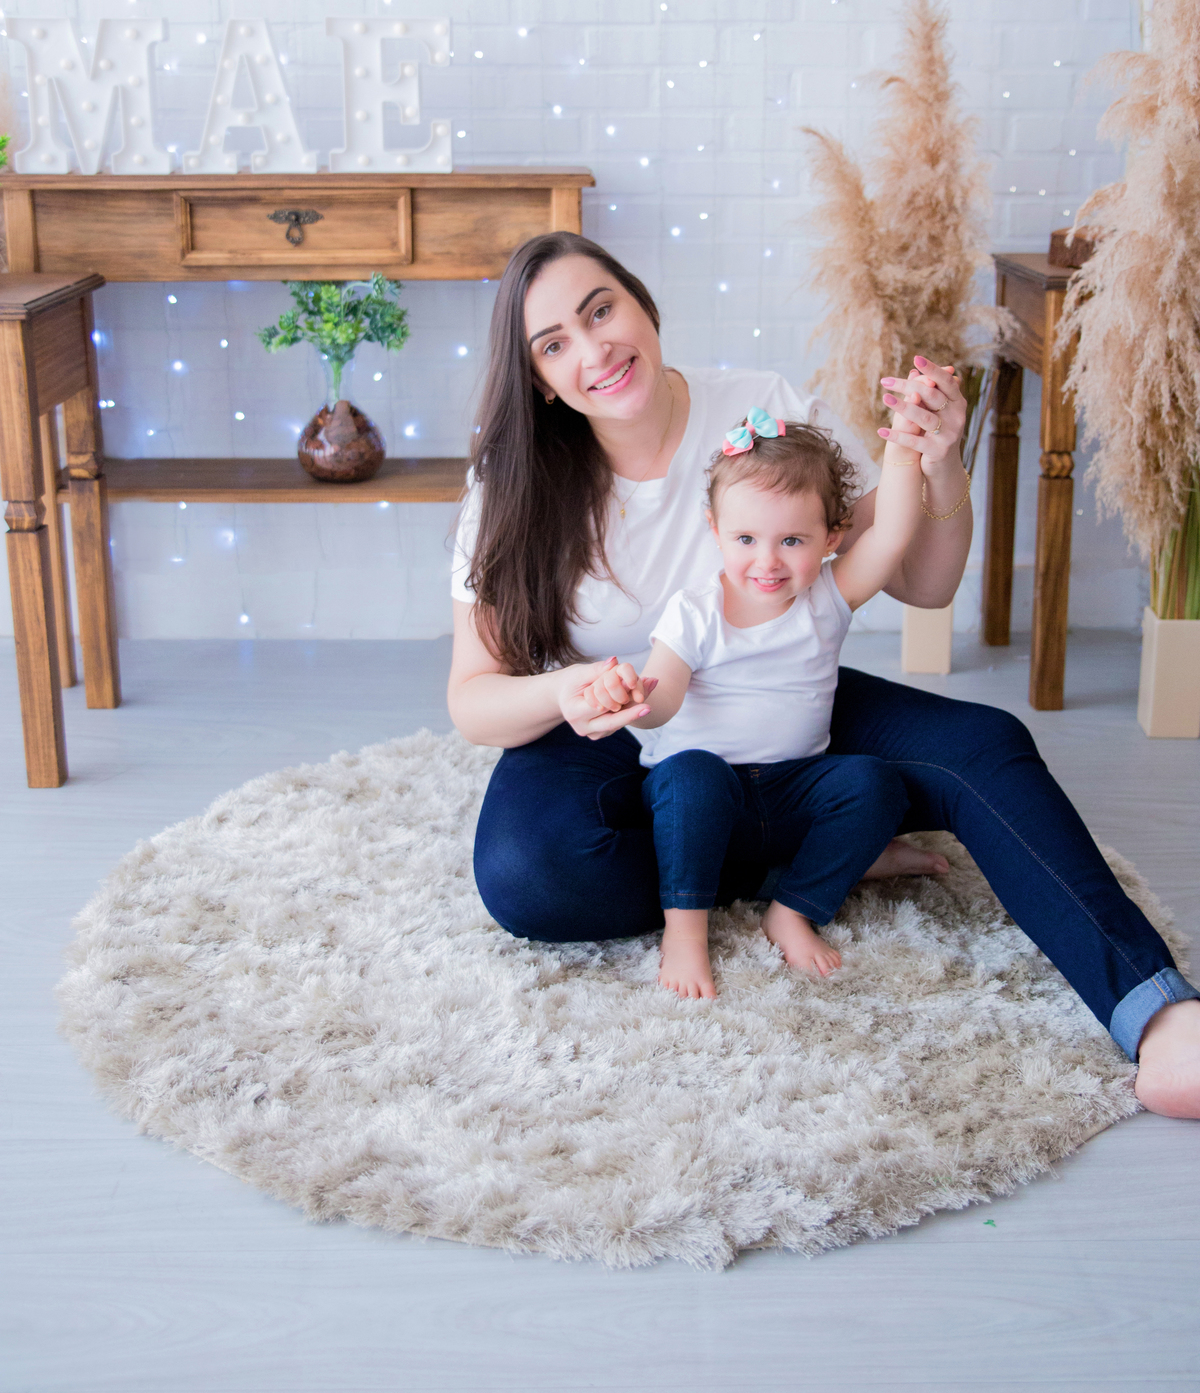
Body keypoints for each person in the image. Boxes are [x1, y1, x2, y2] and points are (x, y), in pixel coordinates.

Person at [447, 230, 1200, 1118]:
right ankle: (808, 856)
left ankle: (1157, 1014)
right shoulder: (512, 484)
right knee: (528, 872)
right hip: (627, 716)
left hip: (785, 702)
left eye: (601, 310)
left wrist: (939, 460)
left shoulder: (761, 408)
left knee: (985, 745)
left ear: (642, 305)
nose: (594, 349)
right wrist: (566, 690)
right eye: (554, 344)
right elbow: (474, 700)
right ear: (539, 379)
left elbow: (922, 581)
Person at [575, 413, 927, 999]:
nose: (767, 562)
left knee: (875, 784)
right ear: (715, 530)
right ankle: (685, 931)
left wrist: (904, 453)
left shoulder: (829, 598)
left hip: (793, 789)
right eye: (746, 540)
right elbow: (664, 699)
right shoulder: (695, 612)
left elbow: (890, 535)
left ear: (832, 537)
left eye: (792, 541)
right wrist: (635, 698)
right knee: (692, 775)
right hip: (703, 802)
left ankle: (792, 909)